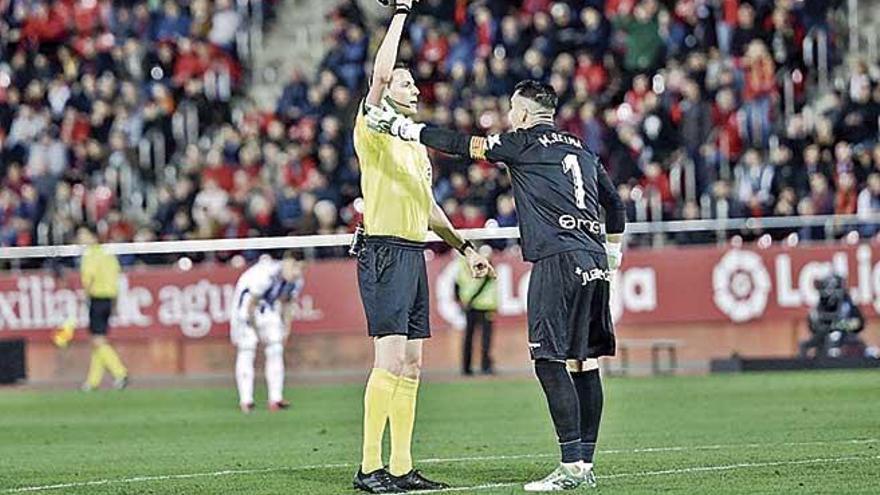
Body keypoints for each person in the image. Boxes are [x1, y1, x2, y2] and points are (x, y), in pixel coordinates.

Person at [366, 79, 626, 491]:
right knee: (585, 361)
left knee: (549, 359)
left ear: (523, 114)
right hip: (594, 259)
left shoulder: (522, 142)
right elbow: (615, 205)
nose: (509, 116)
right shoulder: (580, 148)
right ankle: (585, 462)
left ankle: (571, 466)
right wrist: (612, 256)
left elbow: (461, 144)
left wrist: (405, 129)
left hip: (556, 260)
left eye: (511, 109)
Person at [350, 0, 494, 492]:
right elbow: (379, 72)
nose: (414, 87)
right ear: (387, 90)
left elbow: (430, 207)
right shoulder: (373, 128)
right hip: (385, 251)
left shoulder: (412, 142)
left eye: (413, 83)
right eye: (405, 82)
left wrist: (465, 247)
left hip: (413, 252)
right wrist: (402, 14)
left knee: (412, 364)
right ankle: (369, 467)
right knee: (387, 360)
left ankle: (399, 467)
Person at [230, 254, 304, 413]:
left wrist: (286, 330)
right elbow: (251, 303)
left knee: (276, 348)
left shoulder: (296, 280)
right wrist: (254, 328)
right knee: (247, 348)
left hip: (268, 308)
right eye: (294, 267)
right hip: (246, 307)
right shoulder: (266, 275)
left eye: (300, 268)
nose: (297, 272)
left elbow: (287, 303)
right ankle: (246, 400)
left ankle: (275, 399)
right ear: (286, 263)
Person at [79, 225, 129, 391]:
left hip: (97, 298)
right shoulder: (108, 254)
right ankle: (92, 381)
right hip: (109, 299)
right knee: (98, 339)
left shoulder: (90, 254)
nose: (80, 238)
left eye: (83, 234)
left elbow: (89, 278)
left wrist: (85, 298)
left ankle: (120, 372)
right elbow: (117, 278)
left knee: (98, 340)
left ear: (92, 237)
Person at [456, 244, 497, 376]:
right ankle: (485, 366)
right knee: (484, 339)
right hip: (484, 305)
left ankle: (466, 367)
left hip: (471, 304)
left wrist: (463, 301)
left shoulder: (462, 265)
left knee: (469, 337)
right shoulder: (488, 269)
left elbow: (456, 284)